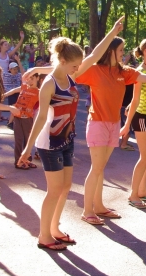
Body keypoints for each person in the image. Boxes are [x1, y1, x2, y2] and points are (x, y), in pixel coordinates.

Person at [73, 19, 146, 225]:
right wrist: (112, 32)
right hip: (97, 123)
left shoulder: (123, 71)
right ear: (111, 50)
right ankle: (87, 210)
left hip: (113, 124)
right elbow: (88, 59)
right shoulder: (93, 70)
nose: (123, 53)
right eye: (120, 50)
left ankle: (99, 206)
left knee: (101, 168)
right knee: (97, 168)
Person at [17, 28, 122, 249]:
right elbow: (41, 117)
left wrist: (112, 33)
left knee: (65, 187)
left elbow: (94, 56)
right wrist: (27, 149)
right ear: (63, 61)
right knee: (54, 190)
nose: (78, 69)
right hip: (50, 143)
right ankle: (44, 236)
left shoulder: (69, 76)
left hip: (67, 140)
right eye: (75, 65)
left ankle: (55, 229)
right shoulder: (49, 84)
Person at [4, 70, 43, 170]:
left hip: (28, 119)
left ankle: (27, 161)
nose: (30, 81)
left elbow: (48, 100)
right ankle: (18, 161)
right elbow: (13, 91)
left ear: (37, 78)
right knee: (18, 140)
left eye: (32, 78)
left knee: (27, 140)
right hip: (17, 117)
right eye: (28, 79)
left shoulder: (39, 92)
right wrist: (4, 95)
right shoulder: (24, 87)